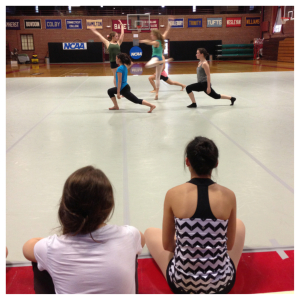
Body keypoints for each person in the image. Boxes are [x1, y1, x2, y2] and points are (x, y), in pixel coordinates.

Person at [144, 136, 245, 294]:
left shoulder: (173, 194)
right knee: (239, 224)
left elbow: (168, 246)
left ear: (187, 162)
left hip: (183, 284)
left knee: (150, 232)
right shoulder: (229, 195)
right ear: (216, 164)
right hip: (221, 285)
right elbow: (229, 245)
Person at [23, 166, 145, 294]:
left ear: (66, 204)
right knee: (132, 253)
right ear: (109, 206)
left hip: (52, 250)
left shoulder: (50, 248)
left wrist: (52, 242)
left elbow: (27, 248)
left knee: (41, 263)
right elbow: (141, 241)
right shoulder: (130, 235)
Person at [140, 19, 174, 100]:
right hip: (159, 60)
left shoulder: (156, 42)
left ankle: (164, 60)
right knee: (158, 77)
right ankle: (157, 94)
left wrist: (143, 41)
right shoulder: (161, 39)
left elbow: (149, 42)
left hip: (156, 58)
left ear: (155, 35)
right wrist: (169, 25)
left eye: (152, 35)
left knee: (147, 65)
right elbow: (166, 31)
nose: (151, 36)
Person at [89, 20, 124, 86]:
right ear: (112, 37)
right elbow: (100, 35)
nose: (118, 37)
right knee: (116, 76)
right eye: (116, 36)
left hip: (120, 61)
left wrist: (122, 26)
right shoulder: (108, 43)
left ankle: (120, 90)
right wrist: (94, 31)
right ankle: (117, 90)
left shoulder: (118, 43)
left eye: (117, 36)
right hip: (113, 62)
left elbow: (122, 34)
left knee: (120, 77)